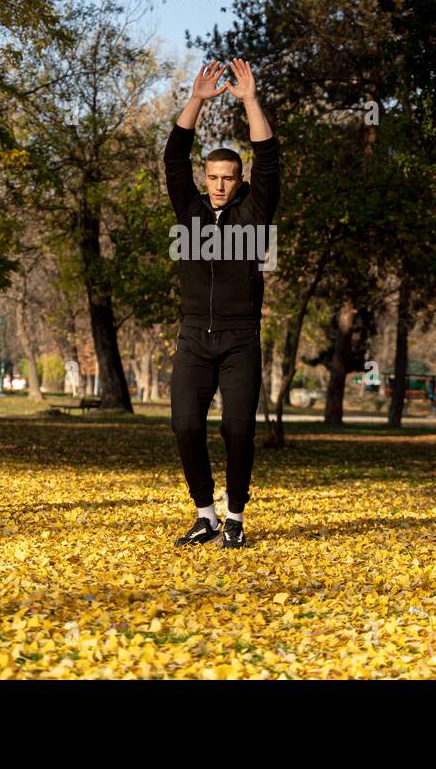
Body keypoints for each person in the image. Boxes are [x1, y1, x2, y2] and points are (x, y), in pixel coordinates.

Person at [164, 59, 279, 548]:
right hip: (193, 335)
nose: (217, 185)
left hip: (239, 339)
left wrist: (250, 100)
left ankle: (235, 518)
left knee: (237, 429)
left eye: (227, 178)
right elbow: (172, 158)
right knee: (184, 425)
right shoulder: (188, 210)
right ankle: (205, 514)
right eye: (211, 176)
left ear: (239, 181)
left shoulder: (254, 213)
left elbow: (269, 159)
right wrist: (196, 101)